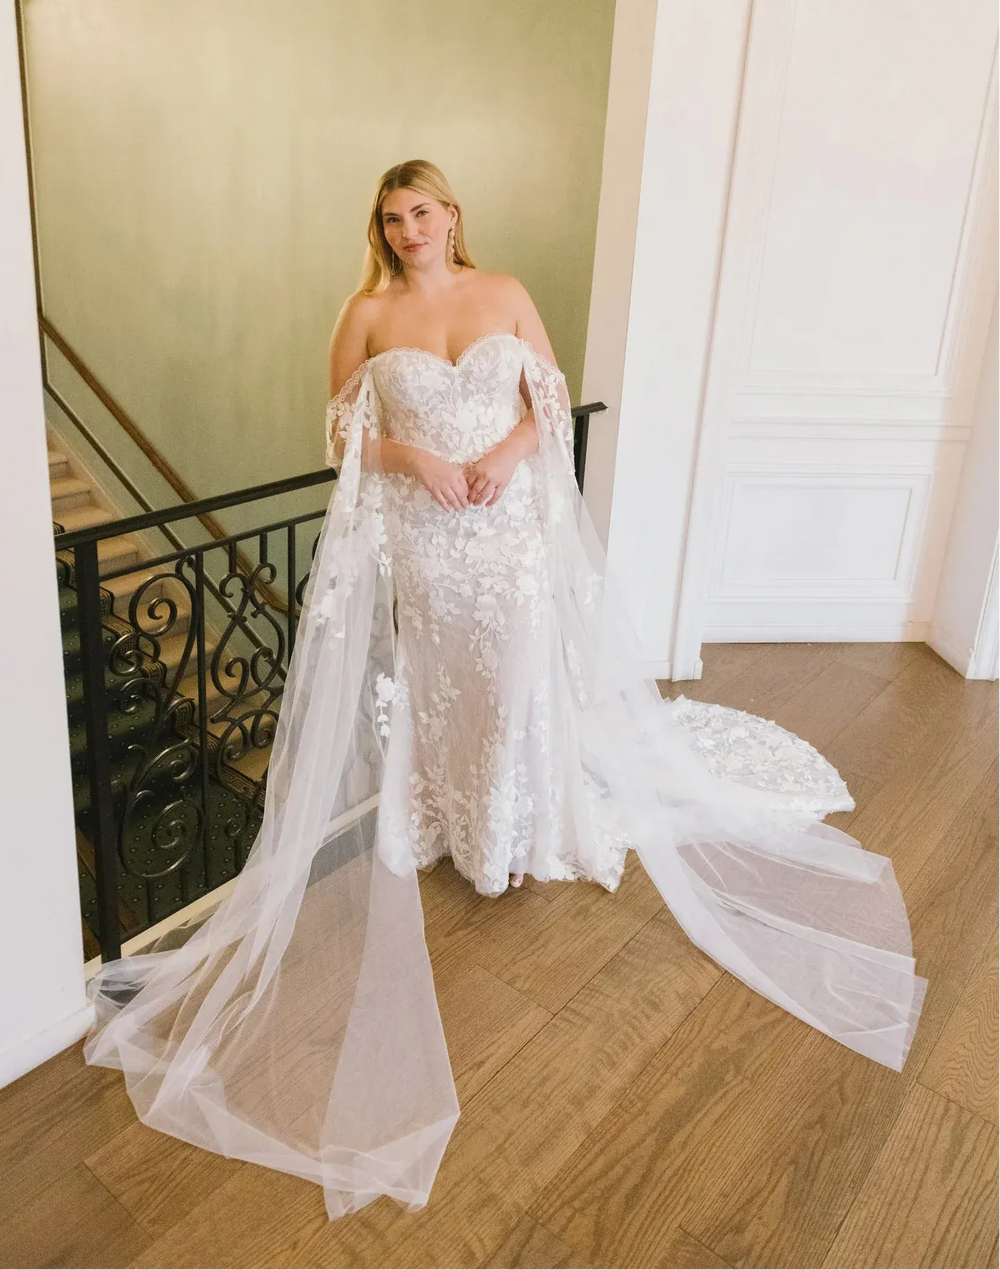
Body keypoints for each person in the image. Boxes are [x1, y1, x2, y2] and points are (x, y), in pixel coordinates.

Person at [83, 159, 928, 1222]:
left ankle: (517, 828)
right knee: (446, 684)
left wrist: (502, 453)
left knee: (518, 676)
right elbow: (339, 433)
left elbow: (548, 396)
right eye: (391, 219)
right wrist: (412, 459)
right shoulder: (366, 310)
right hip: (431, 545)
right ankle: (456, 816)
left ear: (452, 214)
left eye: (421, 212)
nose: (407, 231)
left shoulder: (505, 291)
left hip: (509, 537)